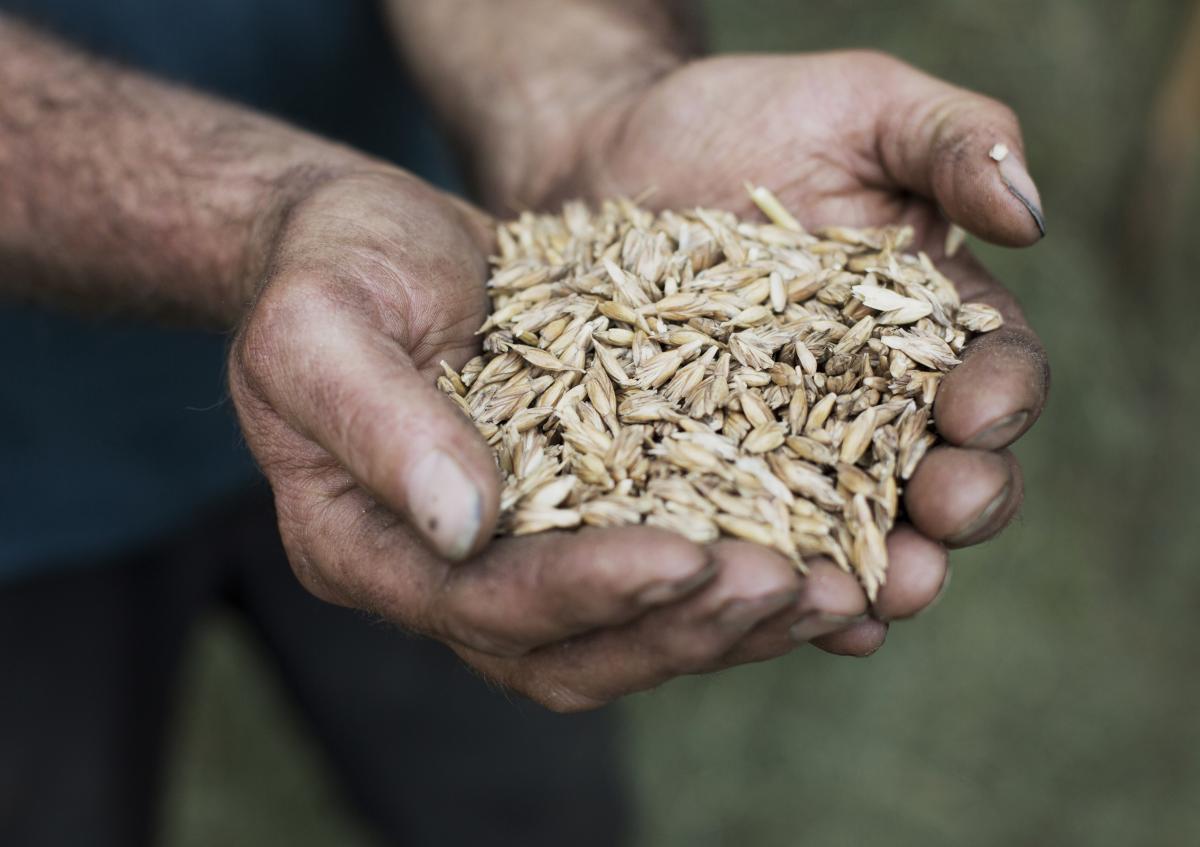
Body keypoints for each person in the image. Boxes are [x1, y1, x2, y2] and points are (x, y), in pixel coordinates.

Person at [0, 1, 1050, 845]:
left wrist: (582, 102)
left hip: (436, 335)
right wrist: (263, 213)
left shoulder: (514, 337)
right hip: (26, 496)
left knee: (517, 788)